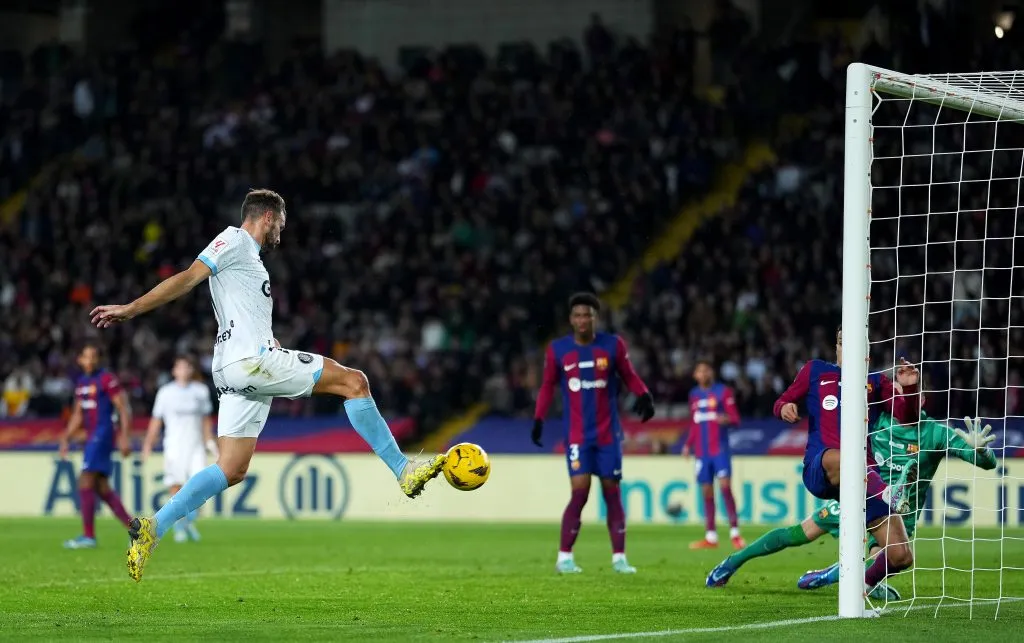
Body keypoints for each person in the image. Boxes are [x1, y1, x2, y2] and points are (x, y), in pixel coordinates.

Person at [90, 189, 446, 582]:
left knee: (232, 467)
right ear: (265, 217)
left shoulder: (250, 261)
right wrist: (131, 309)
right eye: (281, 223)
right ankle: (403, 471)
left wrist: (269, 340)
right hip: (248, 363)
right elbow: (189, 278)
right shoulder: (235, 239)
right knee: (354, 381)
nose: (282, 230)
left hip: (235, 370)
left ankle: (153, 528)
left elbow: (239, 310)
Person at [797, 413, 997, 593]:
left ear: (923, 399)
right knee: (807, 529)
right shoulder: (878, 420)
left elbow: (988, 464)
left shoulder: (935, 432)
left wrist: (982, 451)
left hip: (902, 512)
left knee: (889, 558)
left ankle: (841, 578)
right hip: (865, 497)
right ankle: (859, 582)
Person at [532, 292, 655, 574]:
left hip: (608, 435)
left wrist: (644, 395)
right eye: (577, 315)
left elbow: (629, 374)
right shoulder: (558, 350)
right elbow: (547, 386)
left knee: (612, 492)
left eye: (587, 314)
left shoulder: (612, 346)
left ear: (594, 318)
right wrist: (539, 418)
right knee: (580, 492)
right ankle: (564, 557)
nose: (582, 320)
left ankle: (619, 558)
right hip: (577, 436)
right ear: (571, 320)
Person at [59, 343, 134, 549]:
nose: (90, 360)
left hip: (103, 434)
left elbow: (123, 408)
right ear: (79, 360)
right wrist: (66, 437)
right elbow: (77, 414)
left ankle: (88, 536)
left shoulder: (106, 379)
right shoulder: (82, 382)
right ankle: (136, 530)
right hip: (92, 436)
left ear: (98, 360)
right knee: (101, 487)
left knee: (85, 480)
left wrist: (125, 437)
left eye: (94, 356)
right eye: (86, 357)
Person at [142, 355, 217, 543]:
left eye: (187, 367)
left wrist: (211, 444)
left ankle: (188, 521)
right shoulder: (165, 393)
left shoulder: (200, 391)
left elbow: (205, 421)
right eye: (180, 367)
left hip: (196, 446)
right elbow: (156, 421)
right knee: (176, 487)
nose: (183, 371)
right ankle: (180, 527)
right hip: (174, 446)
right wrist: (148, 444)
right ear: (174, 371)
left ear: (191, 370)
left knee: (199, 488)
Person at [684, 359, 744, 550]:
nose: (704, 374)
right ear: (695, 375)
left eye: (707, 370)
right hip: (702, 453)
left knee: (725, 487)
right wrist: (688, 444)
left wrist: (726, 418)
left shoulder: (723, 392)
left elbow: (735, 418)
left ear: (712, 373)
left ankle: (735, 533)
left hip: (720, 450)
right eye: (700, 371)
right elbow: (694, 423)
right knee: (707, 491)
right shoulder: (693, 395)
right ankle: (711, 536)